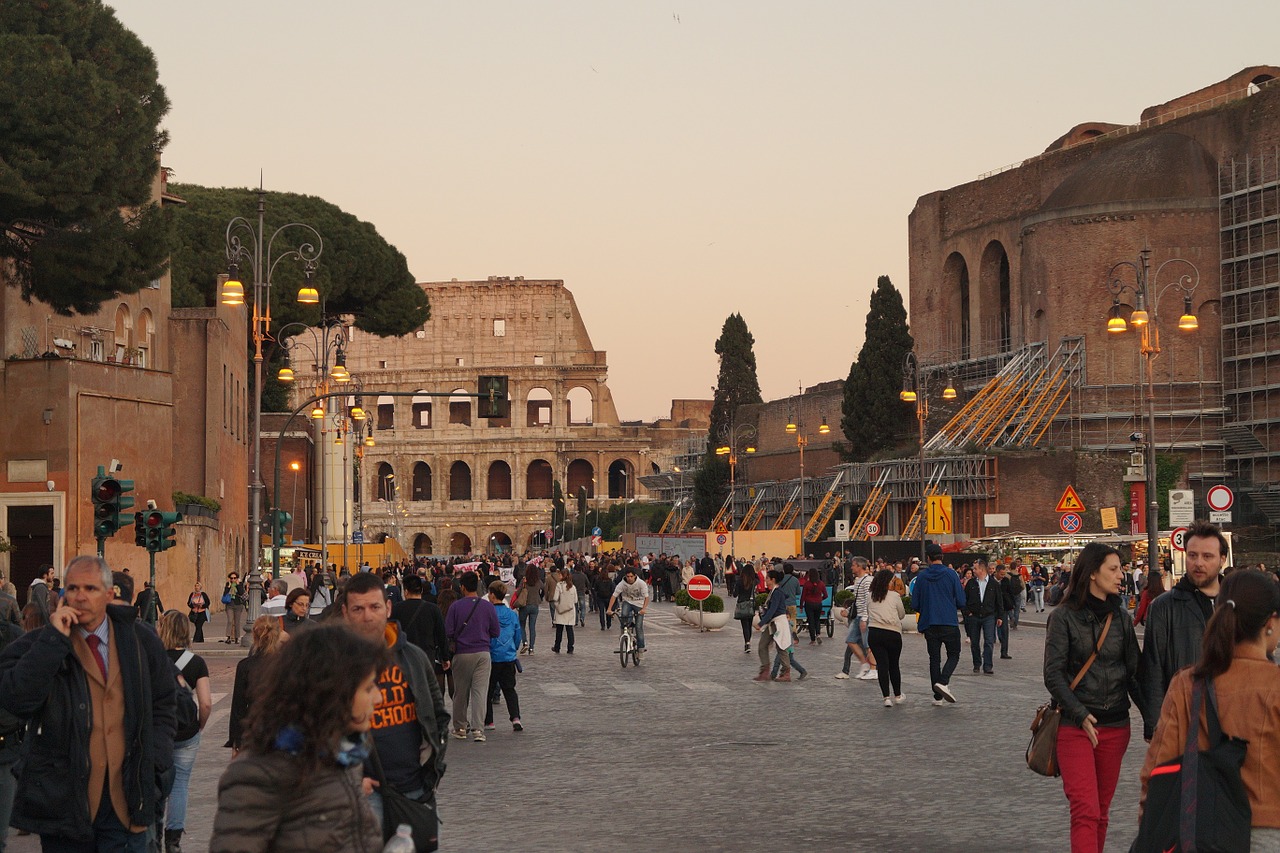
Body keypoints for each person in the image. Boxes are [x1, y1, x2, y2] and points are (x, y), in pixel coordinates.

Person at [0, 554, 177, 851]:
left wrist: (155, 770)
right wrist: (53, 641)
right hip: (65, 804)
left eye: (90, 589)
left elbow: (164, 706)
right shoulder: (39, 644)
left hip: (127, 802)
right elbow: (16, 699)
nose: (80, 596)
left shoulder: (140, 642)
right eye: (72, 588)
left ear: (109, 594)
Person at [209, 624, 385, 853]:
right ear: (334, 691)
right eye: (369, 687)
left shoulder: (343, 757)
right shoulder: (258, 775)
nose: (379, 697)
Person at [1138, 569, 1280, 848]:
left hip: (1201, 831)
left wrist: (1150, 828)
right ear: (1270, 623)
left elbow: (1156, 770)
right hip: (1270, 831)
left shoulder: (1187, 683)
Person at [1043, 541, 1141, 853]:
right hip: (1075, 726)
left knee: (1100, 812)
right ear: (1092, 574)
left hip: (1116, 726)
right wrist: (1080, 713)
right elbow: (1053, 674)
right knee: (1085, 810)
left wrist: (1155, 719)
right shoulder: (1063, 617)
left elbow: (1135, 675)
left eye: (1121, 569)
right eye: (1113, 569)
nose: (1120, 575)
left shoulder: (1122, 619)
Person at [340, 571, 450, 829]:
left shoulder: (413, 657)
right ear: (345, 613)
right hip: (364, 793)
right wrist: (350, 779)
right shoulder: (335, 664)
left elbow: (438, 715)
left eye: (375, 607)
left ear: (388, 608)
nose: (368, 616)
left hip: (414, 788)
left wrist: (432, 770)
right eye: (358, 609)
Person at [1139, 519, 1226, 741]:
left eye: (1207, 556)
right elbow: (1152, 669)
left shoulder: (1238, 604)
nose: (1198, 563)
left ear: (1222, 560)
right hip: (1183, 719)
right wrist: (1155, 726)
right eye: (1192, 555)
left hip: (1232, 720)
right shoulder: (1163, 607)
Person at [157, 611, 213, 853]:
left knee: (156, 782)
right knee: (180, 784)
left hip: (159, 729)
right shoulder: (196, 662)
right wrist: (200, 724)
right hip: (186, 730)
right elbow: (206, 702)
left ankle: (153, 831)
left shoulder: (154, 659)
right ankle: (173, 840)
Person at [443, 572, 500, 741]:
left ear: (462, 587)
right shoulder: (488, 606)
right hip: (483, 653)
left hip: (462, 653)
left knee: (460, 692)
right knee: (480, 692)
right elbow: (496, 632)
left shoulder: (455, 606)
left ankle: (460, 727)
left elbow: (449, 631)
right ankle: (478, 730)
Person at [914, 542, 966, 705]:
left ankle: (937, 697)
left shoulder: (921, 576)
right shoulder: (951, 575)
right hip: (949, 621)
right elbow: (961, 600)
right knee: (954, 654)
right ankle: (943, 682)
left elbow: (915, 604)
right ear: (942, 557)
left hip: (929, 622)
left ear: (928, 558)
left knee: (934, 659)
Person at [226, 615, 286, 754]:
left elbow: (238, 707)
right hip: (282, 730)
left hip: (255, 729)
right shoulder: (288, 664)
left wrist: (236, 741)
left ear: (254, 636)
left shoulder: (245, 666)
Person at [390, 575, 450, 691]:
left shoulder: (396, 609)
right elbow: (441, 634)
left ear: (406, 591)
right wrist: (445, 657)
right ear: (421, 590)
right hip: (427, 656)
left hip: (403, 657)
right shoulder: (433, 609)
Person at [483, 581, 523, 733]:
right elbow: (517, 634)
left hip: (492, 656)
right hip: (508, 657)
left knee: (488, 690)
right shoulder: (512, 614)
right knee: (509, 689)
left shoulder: (488, 613)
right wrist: (513, 648)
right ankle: (515, 718)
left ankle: (489, 721)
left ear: (492, 595)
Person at [867, 568, 906, 707]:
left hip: (874, 633)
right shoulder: (894, 596)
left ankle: (886, 697)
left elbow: (867, 611)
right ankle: (898, 695)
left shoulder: (870, 596)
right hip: (892, 632)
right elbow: (901, 614)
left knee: (882, 665)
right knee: (894, 664)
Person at [836, 556, 877, 680]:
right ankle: (864, 664)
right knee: (851, 640)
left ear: (859, 566)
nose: (851, 567)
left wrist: (864, 618)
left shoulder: (868, 580)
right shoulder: (858, 580)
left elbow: (867, 600)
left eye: (853, 565)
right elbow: (858, 600)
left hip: (864, 616)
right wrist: (849, 611)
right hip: (858, 615)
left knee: (867, 644)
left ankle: (873, 670)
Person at [753, 570, 792, 681]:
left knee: (781, 646)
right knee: (763, 645)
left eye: (767, 578)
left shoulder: (777, 593)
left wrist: (761, 624)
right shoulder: (774, 592)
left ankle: (786, 672)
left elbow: (772, 610)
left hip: (777, 623)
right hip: (773, 623)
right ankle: (765, 671)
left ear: (773, 580)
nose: (765, 580)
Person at [607, 566, 651, 653]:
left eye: (631, 576)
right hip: (627, 602)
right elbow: (614, 596)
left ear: (635, 576)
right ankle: (624, 632)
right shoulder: (622, 584)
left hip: (639, 603)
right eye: (628, 576)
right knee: (624, 616)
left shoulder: (641, 583)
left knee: (639, 626)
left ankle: (641, 647)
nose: (629, 578)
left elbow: (646, 597)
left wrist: (644, 609)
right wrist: (609, 609)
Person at [549, 568, 578, 654]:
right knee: (570, 630)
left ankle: (557, 647)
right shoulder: (573, 587)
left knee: (559, 630)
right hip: (570, 610)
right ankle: (570, 648)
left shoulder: (559, 585)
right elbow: (575, 600)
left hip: (560, 610)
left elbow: (555, 597)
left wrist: (558, 605)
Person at [516, 568, 541, 655]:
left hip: (525, 605)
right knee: (532, 627)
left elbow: (518, 592)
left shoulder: (524, 581)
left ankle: (525, 642)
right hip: (535, 605)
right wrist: (540, 597)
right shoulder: (538, 581)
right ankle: (531, 648)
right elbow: (544, 589)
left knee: (521, 625)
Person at [995, 563, 1018, 657]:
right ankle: (986, 652)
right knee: (989, 632)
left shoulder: (1005, 581)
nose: (1002, 576)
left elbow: (1010, 592)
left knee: (1005, 630)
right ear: (996, 572)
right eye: (1001, 574)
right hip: (991, 609)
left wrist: (1012, 604)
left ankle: (1004, 652)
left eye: (1004, 574)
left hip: (1003, 608)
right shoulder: (990, 581)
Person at [735, 564, 759, 653]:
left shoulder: (739, 581)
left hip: (742, 604)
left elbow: (735, 594)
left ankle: (747, 642)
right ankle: (748, 642)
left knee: (744, 625)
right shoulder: (754, 581)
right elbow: (758, 579)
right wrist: (755, 574)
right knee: (749, 625)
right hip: (751, 604)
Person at [800, 568, 826, 646]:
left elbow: (803, 596)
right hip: (818, 604)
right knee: (817, 620)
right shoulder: (821, 583)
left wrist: (801, 606)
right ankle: (818, 634)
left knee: (811, 621)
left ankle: (813, 640)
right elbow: (826, 595)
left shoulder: (807, 584)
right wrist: (820, 599)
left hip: (809, 604)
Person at [222, 571, 246, 643]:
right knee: (230, 620)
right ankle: (228, 637)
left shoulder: (240, 584)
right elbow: (224, 594)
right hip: (230, 605)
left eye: (234, 578)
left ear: (237, 578)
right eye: (231, 578)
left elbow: (241, 593)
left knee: (237, 622)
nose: (233, 580)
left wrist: (238, 585)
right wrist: (228, 587)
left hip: (238, 605)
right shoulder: (228, 584)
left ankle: (236, 638)